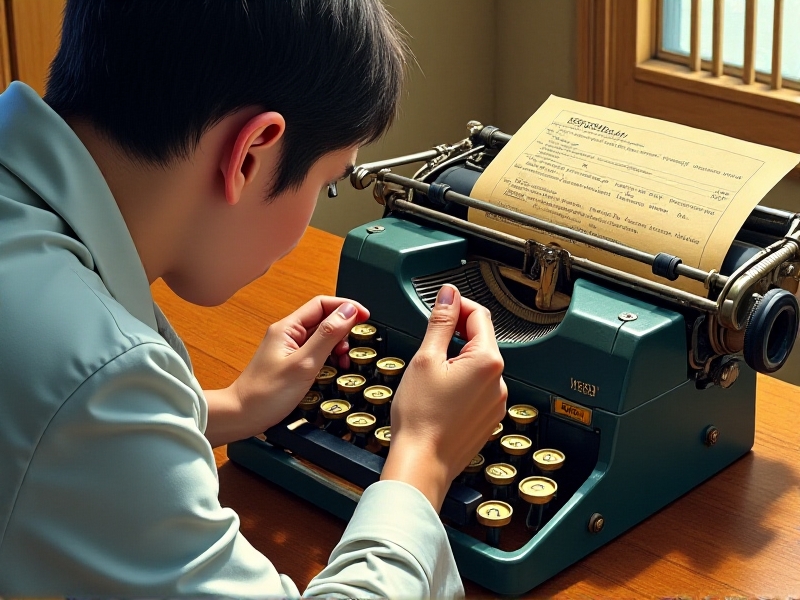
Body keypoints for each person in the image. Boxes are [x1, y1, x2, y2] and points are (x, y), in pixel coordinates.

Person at [0, 0, 507, 596]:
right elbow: (75, 403)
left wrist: (229, 406)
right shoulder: (97, 374)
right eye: (330, 181)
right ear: (250, 153)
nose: (318, 206)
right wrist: (424, 456)